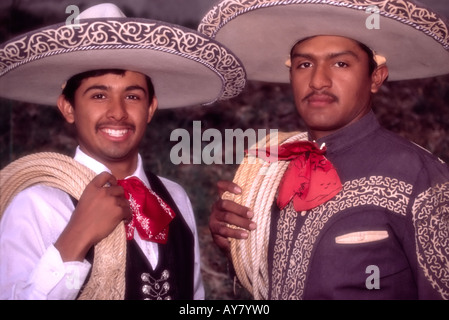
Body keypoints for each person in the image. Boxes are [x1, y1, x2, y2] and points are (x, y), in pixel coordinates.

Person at [199, 0, 449, 299]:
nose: (318, 81)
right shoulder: (269, 175)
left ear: (375, 78)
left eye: (340, 63)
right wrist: (234, 244)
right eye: (304, 65)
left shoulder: (419, 177)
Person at [0, 3, 245, 300]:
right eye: (99, 95)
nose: (117, 112)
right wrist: (76, 237)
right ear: (68, 107)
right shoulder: (37, 206)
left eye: (132, 95)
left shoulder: (175, 198)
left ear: (150, 108)